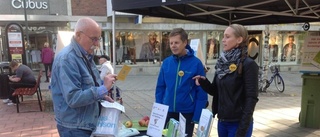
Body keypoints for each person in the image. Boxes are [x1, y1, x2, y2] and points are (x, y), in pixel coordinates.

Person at [50, 17, 117, 137]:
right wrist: (103, 89)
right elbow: (73, 98)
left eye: (99, 39)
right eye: (93, 39)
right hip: (75, 127)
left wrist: (102, 97)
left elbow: (88, 87)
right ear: (78, 35)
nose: (97, 44)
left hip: (84, 124)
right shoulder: (67, 59)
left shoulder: (86, 55)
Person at [193, 24, 259, 137]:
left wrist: (242, 130)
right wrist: (204, 82)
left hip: (238, 123)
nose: (223, 40)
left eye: (227, 37)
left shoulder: (248, 64)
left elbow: (251, 99)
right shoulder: (222, 62)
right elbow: (215, 91)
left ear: (239, 39)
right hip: (222, 121)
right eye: (223, 37)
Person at [155, 28, 208, 137]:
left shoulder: (196, 63)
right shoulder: (166, 63)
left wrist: (197, 115)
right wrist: (160, 110)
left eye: (176, 42)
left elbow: (201, 92)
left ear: (185, 43)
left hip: (187, 113)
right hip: (168, 111)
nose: (173, 45)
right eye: (171, 43)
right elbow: (160, 88)